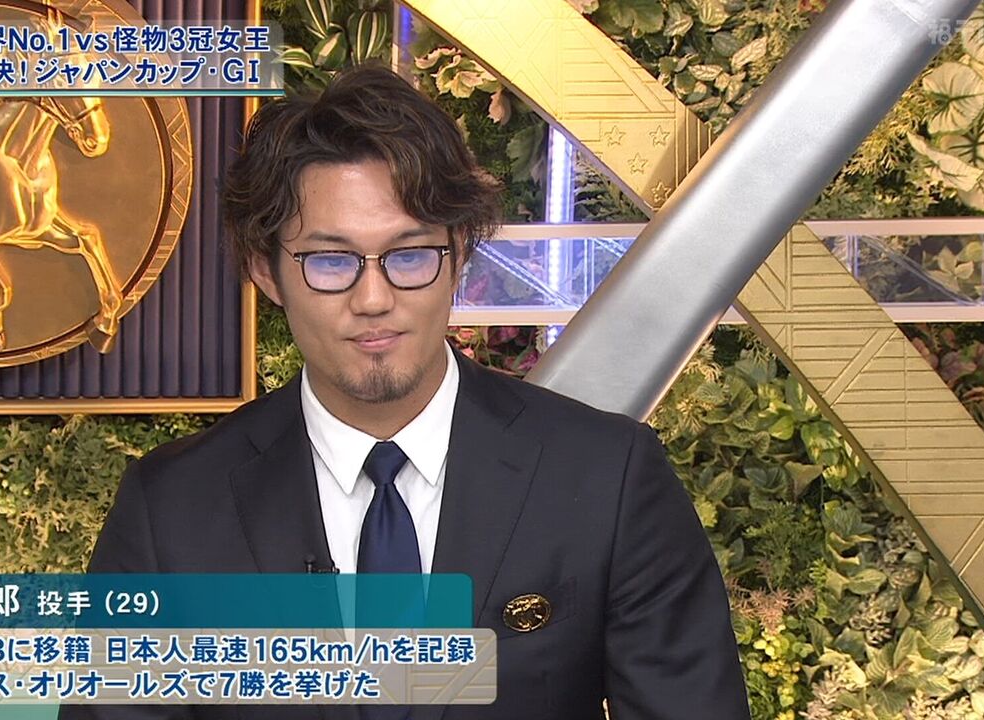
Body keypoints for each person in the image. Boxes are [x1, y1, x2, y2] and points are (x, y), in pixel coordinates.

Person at [67, 64, 750, 719]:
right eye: (330, 260)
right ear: (267, 272)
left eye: (410, 255)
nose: (374, 298)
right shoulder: (173, 509)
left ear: (460, 254)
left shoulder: (607, 476)